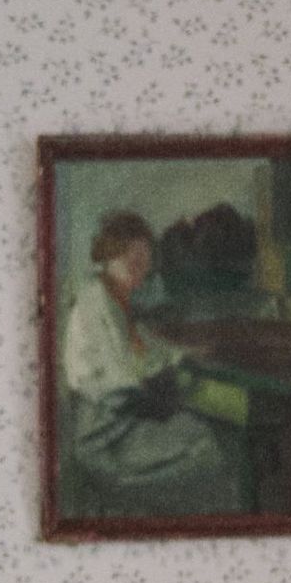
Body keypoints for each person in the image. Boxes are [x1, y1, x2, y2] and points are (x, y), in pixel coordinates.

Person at [61, 211, 238, 514]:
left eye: (144, 261)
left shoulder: (117, 302)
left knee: (204, 434)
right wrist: (169, 372)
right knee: (207, 443)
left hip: (123, 417)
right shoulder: (95, 303)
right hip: (104, 432)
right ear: (108, 255)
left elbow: (149, 348)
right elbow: (128, 371)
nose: (140, 269)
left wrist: (183, 353)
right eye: (132, 260)